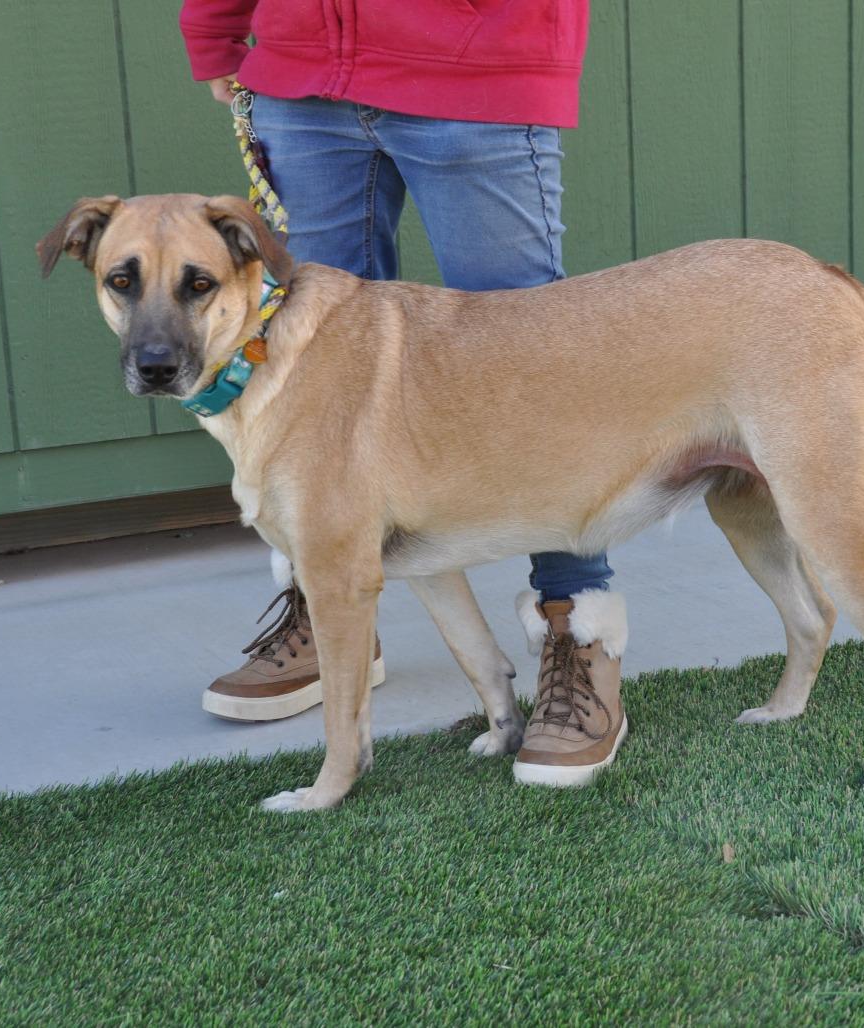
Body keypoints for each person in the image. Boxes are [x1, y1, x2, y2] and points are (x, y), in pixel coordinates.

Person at [179, 0, 628, 785]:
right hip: (304, 74)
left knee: (533, 375)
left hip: (476, 59)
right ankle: (330, 614)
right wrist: (216, 24)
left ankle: (577, 626)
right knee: (311, 376)